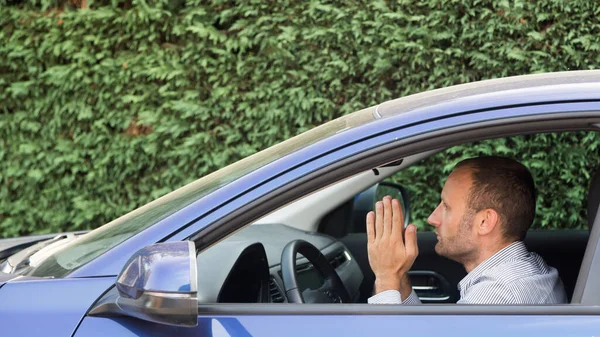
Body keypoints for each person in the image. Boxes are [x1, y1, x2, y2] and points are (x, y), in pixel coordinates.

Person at [367, 156, 567, 304]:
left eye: (446, 207)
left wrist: (385, 275)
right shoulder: (526, 270)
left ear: (484, 222)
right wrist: (398, 275)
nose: (432, 218)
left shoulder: (495, 296)